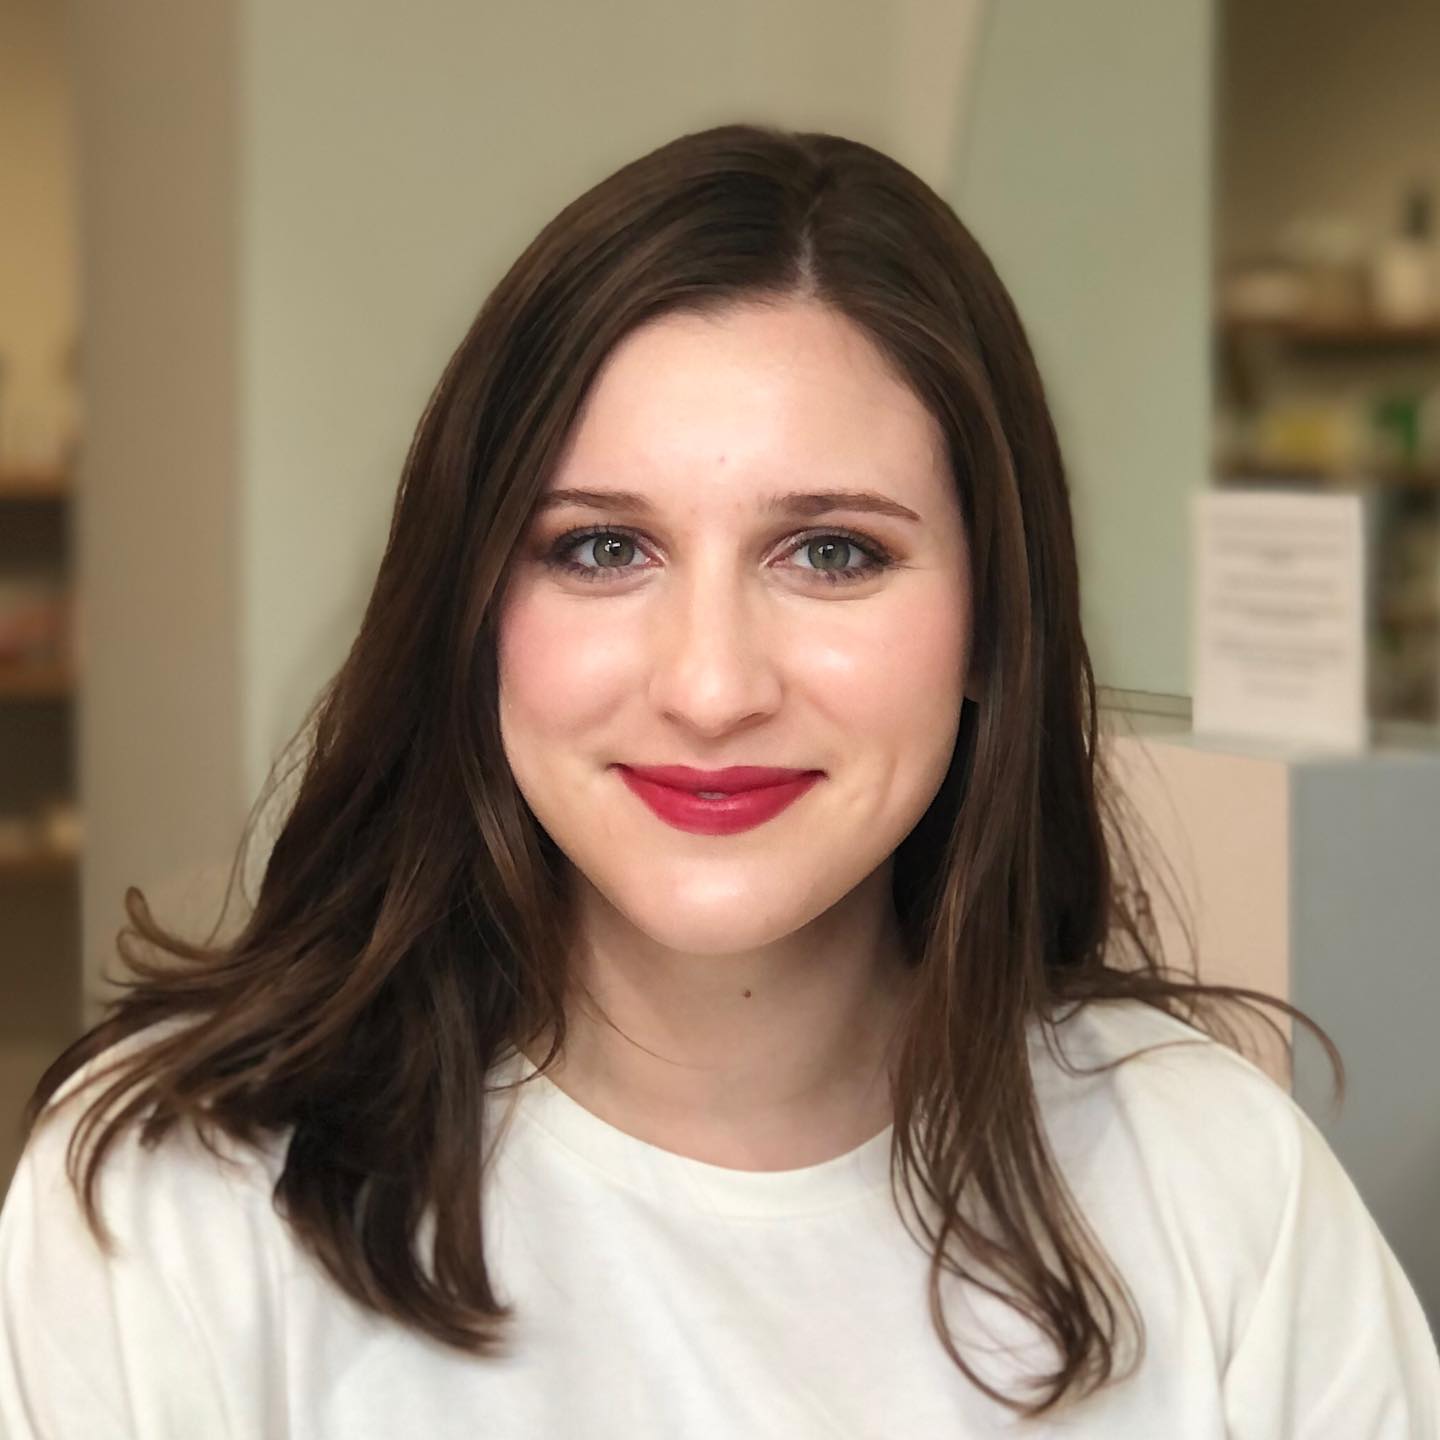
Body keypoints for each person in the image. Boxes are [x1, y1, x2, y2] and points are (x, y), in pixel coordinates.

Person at [1, 122, 1437, 1438]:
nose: (708, 686)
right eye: (601, 548)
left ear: (994, 624)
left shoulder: (1217, 1185)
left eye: (833, 552)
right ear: (473, 610)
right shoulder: (184, 1202)